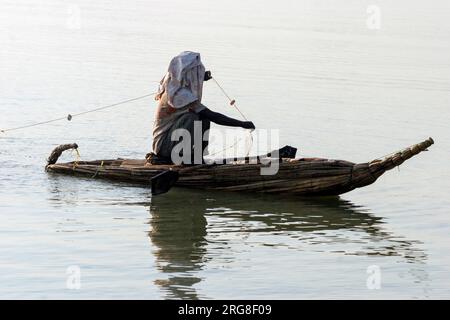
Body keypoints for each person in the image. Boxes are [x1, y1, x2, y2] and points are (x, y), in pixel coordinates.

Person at [148, 51, 255, 165]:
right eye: (197, 72)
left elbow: (186, 77)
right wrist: (242, 124)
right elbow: (214, 116)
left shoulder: (173, 83)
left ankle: (197, 156)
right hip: (163, 147)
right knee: (193, 117)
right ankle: (183, 158)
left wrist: (202, 77)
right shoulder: (179, 95)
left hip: (170, 142)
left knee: (203, 118)